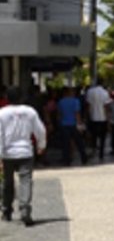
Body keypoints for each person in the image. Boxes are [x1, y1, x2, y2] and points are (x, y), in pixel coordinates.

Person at [0, 88, 49, 227]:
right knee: (25, 181)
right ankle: (25, 209)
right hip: (25, 151)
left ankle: (6, 210)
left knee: (7, 183)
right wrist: (41, 145)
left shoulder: (2, 113)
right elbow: (40, 129)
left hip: (7, 153)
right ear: (21, 97)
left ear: (6, 97)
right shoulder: (30, 111)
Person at [57, 86, 86, 166]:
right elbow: (77, 114)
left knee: (65, 144)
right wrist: (79, 123)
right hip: (73, 124)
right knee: (79, 142)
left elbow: (59, 115)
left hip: (64, 125)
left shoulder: (60, 102)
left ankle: (66, 160)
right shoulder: (75, 101)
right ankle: (84, 158)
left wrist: (59, 123)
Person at [84, 81, 111, 162]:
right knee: (103, 137)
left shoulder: (90, 92)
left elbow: (88, 105)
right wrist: (108, 119)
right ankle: (101, 153)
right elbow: (106, 106)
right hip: (103, 118)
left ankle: (94, 150)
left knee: (93, 136)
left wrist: (87, 116)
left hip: (93, 117)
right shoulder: (105, 93)